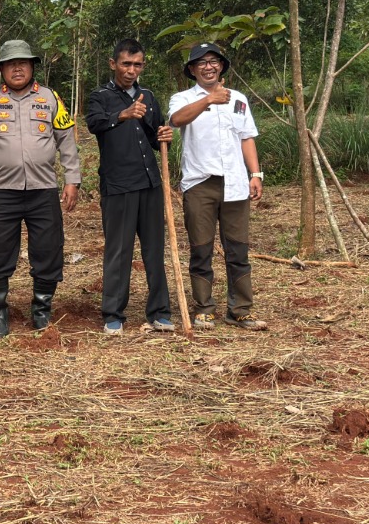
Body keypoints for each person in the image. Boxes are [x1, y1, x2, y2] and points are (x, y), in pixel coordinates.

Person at [0, 40, 81, 337]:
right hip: (2, 191)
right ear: (1, 69)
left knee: (48, 250)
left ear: (32, 66)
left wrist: (72, 179)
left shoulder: (49, 97)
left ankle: (41, 310)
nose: (17, 68)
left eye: (23, 63)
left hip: (43, 190)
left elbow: (66, 139)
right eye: (11, 64)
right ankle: (0, 314)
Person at [167, 41, 268, 331]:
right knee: (201, 249)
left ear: (221, 66)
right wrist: (209, 99)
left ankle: (240, 310)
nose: (208, 67)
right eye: (201, 62)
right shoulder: (183, 98)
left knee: (238, 250)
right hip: (200, 184)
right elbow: (176, 120)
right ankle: (204, 309)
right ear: (192, 69)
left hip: (235, 183)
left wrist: (255, 174)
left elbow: (246, 137)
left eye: (213, 61)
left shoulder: (238, 99)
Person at [87, 39, 175, 334]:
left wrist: (164, 136)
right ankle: (113, 313)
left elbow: (155, 138)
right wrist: (122, 115)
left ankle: (160, 312)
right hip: (118, 185)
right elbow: (94, 124)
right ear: (113, 64)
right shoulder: (100, 96)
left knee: (154, 250)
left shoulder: (148, 96)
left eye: (137, 65)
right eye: (126, 64)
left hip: (150, 183)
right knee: (119, 251)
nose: (131, 70)